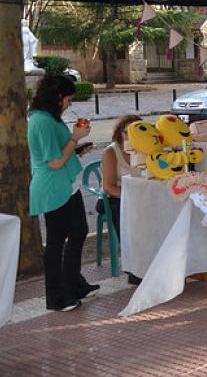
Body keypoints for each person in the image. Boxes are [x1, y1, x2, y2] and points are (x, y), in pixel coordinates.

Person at [28, 75, 98, 312]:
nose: (69, 104)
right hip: (52, 187)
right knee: (56, 242)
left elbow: (61, 152)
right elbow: (55, 162)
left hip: (68, 185)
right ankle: (56, 298)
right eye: (68, 99)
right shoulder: (41, 121)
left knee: (79, 231)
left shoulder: (50, 118)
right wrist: (75, 139)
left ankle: (74, 284)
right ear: (57, 97)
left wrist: (77, 148)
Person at [97, 114, 141, 284]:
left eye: (136, 131)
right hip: (113, 198)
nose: (130, 136)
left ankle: (153, 257)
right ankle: (134, 268)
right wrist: (132, 196)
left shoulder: (145, 150)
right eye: (127, 132)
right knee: (126, 214)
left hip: (138, 196)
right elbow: (109, 187)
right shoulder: (111, 152)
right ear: (120, 133)